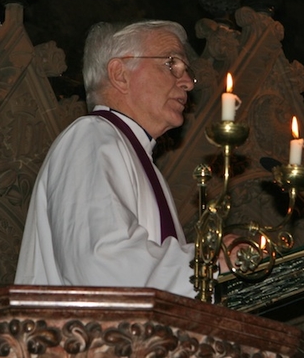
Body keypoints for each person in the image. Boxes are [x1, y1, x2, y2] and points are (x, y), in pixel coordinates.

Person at [14, 19, 199, 298]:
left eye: (186, 72)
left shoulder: (141, 161)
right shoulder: (91, 136)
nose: (186, 82)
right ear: (120, 74)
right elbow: (102, 264)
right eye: (171, 64)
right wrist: (206, 264)